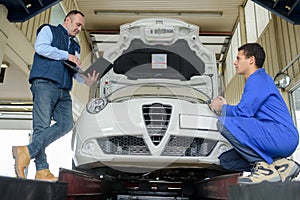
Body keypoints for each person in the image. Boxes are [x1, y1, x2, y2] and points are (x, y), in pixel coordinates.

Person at [12, 10, 99, 181]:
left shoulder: (76, 46)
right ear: (67, 20)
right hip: (45, 83)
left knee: (67, 124)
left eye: (81, 26)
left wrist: (86, 79)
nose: (79, 29)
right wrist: (66, 55)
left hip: (64, 89)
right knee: (41, 127)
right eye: (78, 24)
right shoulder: (48, 30)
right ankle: (42, 170)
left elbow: (74, 72)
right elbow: (41, 48)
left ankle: (27, 151)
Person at [209, 43, 300, 184]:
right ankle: (281, 165)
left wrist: (222, 108)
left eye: (238, 58)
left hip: (281, 135)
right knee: (227, 161)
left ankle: (264, 170)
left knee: (224, 123)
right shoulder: (258, 81)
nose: (235, 62)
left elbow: (243, 113)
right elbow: (246, 113)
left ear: (251, 60)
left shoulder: (258, 79)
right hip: (273, 137)